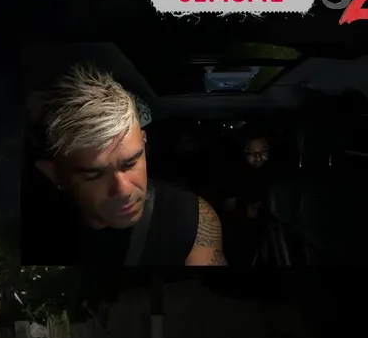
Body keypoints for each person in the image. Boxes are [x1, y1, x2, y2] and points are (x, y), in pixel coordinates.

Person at [27, 64, 226, 266]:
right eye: (94, 175)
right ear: (53, 174)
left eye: (130, 163)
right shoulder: (31, 230)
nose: (123, 191)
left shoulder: (190, 217)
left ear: (144, 142)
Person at [222, 128, 274, 265]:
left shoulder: (276, 173)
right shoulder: (235, 175)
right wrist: (245, 211)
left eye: (263, 151)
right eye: (251, 153)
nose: (258, 157)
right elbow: (228, 208)